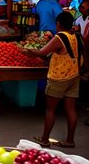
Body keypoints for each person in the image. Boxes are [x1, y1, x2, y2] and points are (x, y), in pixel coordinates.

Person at [24, 12, 83, 148]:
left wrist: (27, 51)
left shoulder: (60, 37)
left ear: (58, 24)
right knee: (70, 109)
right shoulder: (76, 36)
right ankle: (70, 140)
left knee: (50, 110)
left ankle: (44, 139)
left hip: (59, 78)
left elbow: (42, 52)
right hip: (74, 76)